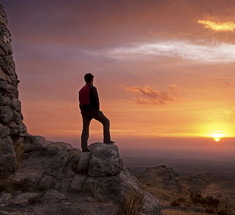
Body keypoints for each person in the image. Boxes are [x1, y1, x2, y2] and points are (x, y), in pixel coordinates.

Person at [79, 73, 115, 152]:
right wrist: (97, 111)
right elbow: (96, 100)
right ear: (92, 79)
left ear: (85, 80)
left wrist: (82, 111)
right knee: (106, 121)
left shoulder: (81, 90)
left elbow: (80, 103)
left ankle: (84, 148)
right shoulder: (92, 88)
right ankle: (106, 139)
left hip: (84, 112)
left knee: (85, 129)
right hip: (93, 111)